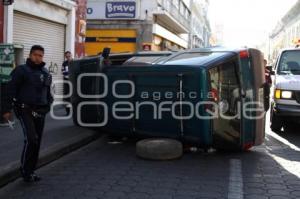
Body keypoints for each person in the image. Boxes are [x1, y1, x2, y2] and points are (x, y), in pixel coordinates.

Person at [2, 45, 53, 182]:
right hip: (25, 110)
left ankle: (31, 171)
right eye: (35, 55)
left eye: (40, 55)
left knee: (37, 142)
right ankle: (25, 170)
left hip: (40, 112)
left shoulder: (45, 72)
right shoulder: (20, 71)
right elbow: (9, 90)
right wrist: (6, 109)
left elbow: (48, 93)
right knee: (31, 139)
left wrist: (48, 105)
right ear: (30, 55)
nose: (38, 58)